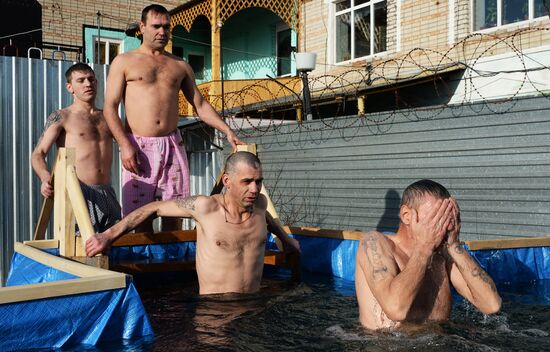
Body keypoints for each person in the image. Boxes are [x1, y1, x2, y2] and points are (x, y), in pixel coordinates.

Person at [103, 4, 243, 232]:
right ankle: (143, 265)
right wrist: (125, 145)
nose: (162, 32)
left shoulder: (180, 65)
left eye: (166, 27)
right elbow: (110, 107)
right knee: (140, 216)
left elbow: (199, 104)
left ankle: (170, 264)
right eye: (156, 26)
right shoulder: (125, 61)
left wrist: (226, 130)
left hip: (172, 145)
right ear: (142, 27)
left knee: (175, 212)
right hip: (139, 146)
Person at [86, 151, 300, 294]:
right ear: (227, 181)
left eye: (258, 181)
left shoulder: (260, 204)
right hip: (215, 312)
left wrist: (286, 240)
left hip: (255, 306)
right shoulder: (205, 207)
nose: (254, 189)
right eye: (247, 182)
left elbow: (269, 220)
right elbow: (154, 208)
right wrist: (108, 235)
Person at [355, 179, 501, 330]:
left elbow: (491, 305)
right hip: (383, 344)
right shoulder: (374, 243)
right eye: (436, 217)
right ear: (406, 215)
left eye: (447, 217)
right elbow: (395, 309)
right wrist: (424, 247)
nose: (443, 226)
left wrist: (454, 245)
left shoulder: (442, 255)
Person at [31, 63, 121, 232]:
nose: (88, 84)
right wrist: (45, 178)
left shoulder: (108, 117)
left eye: (91, 80)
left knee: (114, 249)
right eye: (81, 80)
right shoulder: (62, 116)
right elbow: (38, 153)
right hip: (78, 192)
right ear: (70, 87)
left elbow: (129, 146)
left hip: (107, 192)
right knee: (79, 250)